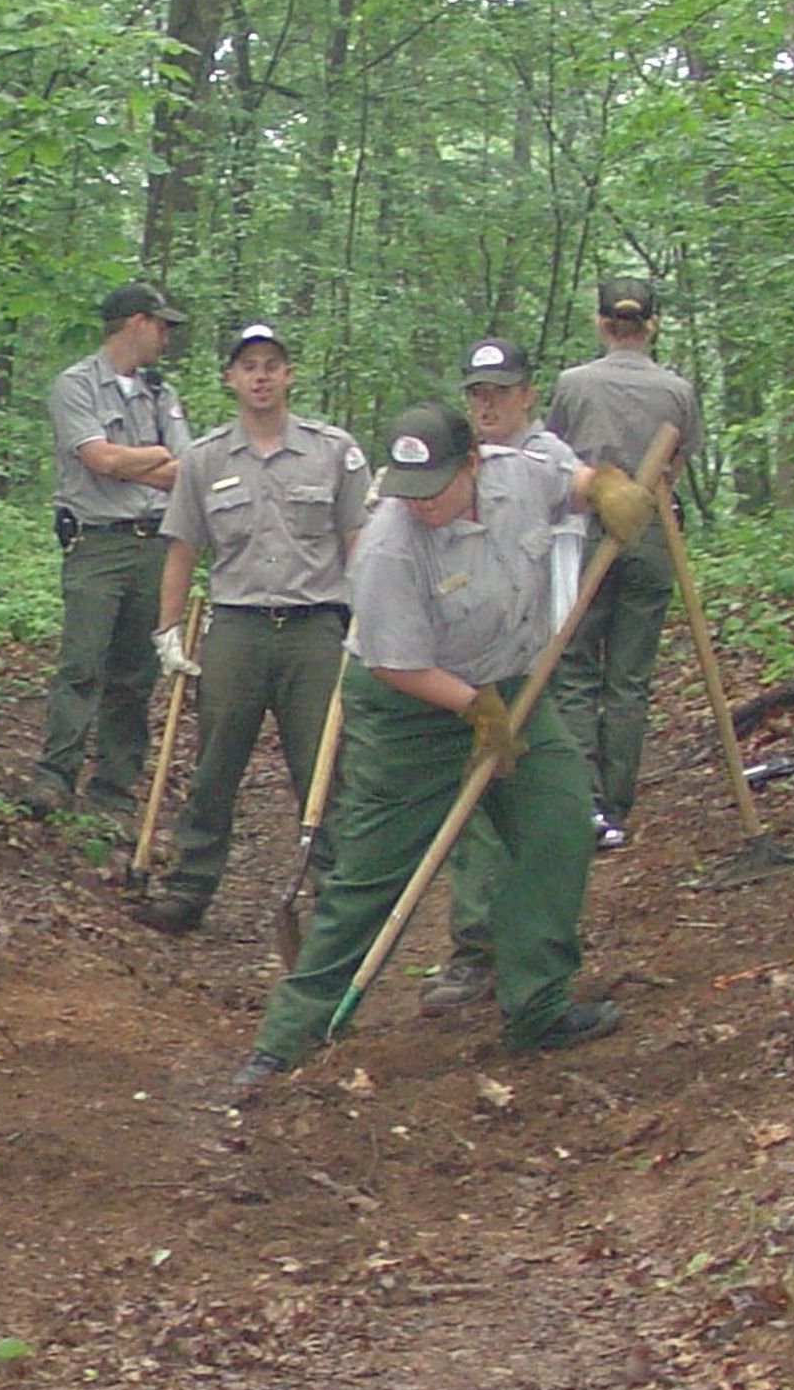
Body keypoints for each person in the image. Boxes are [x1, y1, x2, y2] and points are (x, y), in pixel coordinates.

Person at [232, 399, 614, 1099]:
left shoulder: (521, 473)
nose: (424, 504)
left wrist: (610, 491)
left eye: (436, 486)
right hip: (413, 708)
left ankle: (537, 1004)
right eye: (411, 490)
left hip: (512, 686)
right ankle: (289, 1038)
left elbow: (574, 479)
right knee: (373, 873)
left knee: (558, 826)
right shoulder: (388, 545)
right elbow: (393, 663)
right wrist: (473, 709)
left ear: (472, 462)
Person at [139, 322, 369, 933]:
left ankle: (338, 892)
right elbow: (183, 548)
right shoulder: (206, 459)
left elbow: (359, 541)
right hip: (236, 629)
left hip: (314, 628)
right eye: (249, 366)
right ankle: (189, 885)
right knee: (215, 762)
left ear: (289, 374)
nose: (261, 376)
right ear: (231, 379)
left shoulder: (333, 450)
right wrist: (167, 630)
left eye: (272, 364)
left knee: (323, 762)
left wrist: (370, 619)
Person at [427, 337, 581, 1009]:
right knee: (475, 805)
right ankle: (475, 946)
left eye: (499, 391)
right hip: (464, 660)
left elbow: (574, 542)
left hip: (533, 659)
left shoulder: (552, 464)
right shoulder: (459, 463)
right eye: (476, 393)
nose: (486, 404)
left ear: (528, 394)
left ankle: (532, 946)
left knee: (542, 809)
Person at [20, 283, 191, 825]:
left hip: (153, 543)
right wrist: (153, 456)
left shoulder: (160, 393)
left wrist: (138, 460)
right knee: (82, 662)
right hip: (96, 542)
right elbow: (99, 459)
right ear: (135, 322)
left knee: (135, 673)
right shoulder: (74, 386)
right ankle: (55, 776)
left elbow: (187, 470)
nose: (165, 337)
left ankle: (114, 790)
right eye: (161, 325)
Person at [544, 277, 703, 849]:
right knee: (629, 678)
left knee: (578, 669)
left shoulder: (573, 385)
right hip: (653, 536)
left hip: (588, 531)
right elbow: (678, 461)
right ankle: (617, 800)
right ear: (650, 325)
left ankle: (587, 804)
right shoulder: (677, 390)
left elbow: (556, 456)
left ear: (602, 323)